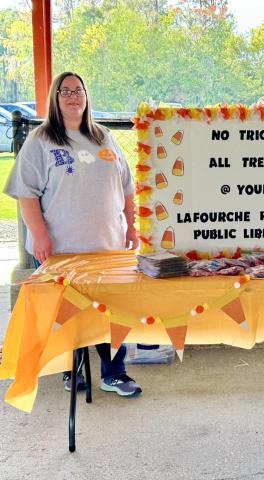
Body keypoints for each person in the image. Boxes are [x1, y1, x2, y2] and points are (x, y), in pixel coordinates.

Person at [4, 71, 142, 397]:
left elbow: (126, 188)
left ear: (86, 95)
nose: (72, 97)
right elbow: (27, 194)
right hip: (63, 246)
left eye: (78, 90)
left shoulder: (103, 137)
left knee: (110, 309)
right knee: (67, 310)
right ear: (56, 97)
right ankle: (72, 369)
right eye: (65, 91)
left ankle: (114, 372)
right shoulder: (41, 140)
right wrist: (38, 235)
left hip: (107, 245)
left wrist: (132, 224)